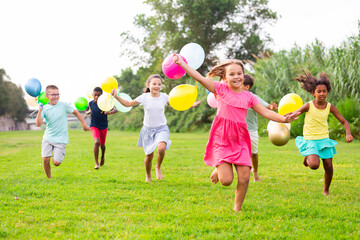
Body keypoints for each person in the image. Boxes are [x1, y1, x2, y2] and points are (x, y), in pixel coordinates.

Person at [173, 55, 297, 211]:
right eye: (232, 74)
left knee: (245, 177)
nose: (236, 77)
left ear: (243, 75)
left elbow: (265, 112)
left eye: (239, 73)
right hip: (222, 138)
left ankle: (237, 209)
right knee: (226, 181)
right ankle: (220, 167)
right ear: (225, 77)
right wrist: (182, 64)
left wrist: (283, 119)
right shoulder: (220, 89)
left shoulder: (249, 97)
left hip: (240, 139)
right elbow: (198, 77)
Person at [291, 71, 353, 195]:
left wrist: (348, 133)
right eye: (318, 91)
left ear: (327, 92)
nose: (322, 94)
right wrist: (285, 117)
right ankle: (308, 157)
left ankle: (326, 190)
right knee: (314, 165)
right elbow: (295, 113)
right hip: (310, 139)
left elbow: (344, 121)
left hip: (324, 139)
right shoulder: (308, 106)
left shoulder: (330, 107)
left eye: (324, 91)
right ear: (313, 93)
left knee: (329, 166)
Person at [110, 75, 172, 182]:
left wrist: (190, 104)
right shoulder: (144, 97)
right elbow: (128, 104)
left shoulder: (164, 97)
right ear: (148, 85)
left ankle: (158, 167)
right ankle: (148, 175)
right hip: (148, 130)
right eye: (154, 84)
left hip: (162, 128)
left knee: (161, 148)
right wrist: (116, 97)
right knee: (149, 156)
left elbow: (177, 103)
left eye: (159, 84)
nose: (157, 86)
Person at [36, 85, 90, 179]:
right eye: (53, 94)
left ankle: (58, 154)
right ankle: (49, 178)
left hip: (61, 138)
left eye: (57, 94)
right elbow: (38, 124)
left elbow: (76, 112)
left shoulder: (64, 105)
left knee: (56, 163)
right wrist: (40, 111)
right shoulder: (44, 108)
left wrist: (84, 125)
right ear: (47, 96)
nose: (56, 96)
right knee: (45, 159)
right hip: (48, 137)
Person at [241, 74, 278, 182]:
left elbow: (267, 107)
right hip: (238, 129)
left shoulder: (253, 97)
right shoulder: (234, 95)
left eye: (241, 83)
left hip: (251, 130)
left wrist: (272, 107)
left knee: (253, 153)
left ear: (247, 87)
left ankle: (255, 172)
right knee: (240, 151)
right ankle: (243, 172)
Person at [85, 87, 117, 169]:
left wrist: (110, 112)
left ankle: (102, 156)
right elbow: (86, 111)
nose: (97, 97)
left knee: (102, 145)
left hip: (103, 126)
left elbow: (115, 109)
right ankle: (96, 163)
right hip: (94, 125)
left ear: (102, 96)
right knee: (97, 142)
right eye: (95, 95)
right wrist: (88, 112)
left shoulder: (106, 103)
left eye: (99, 95)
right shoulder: (90, 103)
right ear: (92, 95)